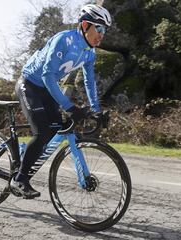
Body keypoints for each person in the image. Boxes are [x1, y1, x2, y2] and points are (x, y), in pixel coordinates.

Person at [10, 4, 112, 199]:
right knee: (42, 132)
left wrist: (96, 110)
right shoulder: (63, 40)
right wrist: (69, 106)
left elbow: (89, 82)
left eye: (104, 30)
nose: (101, 34)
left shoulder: (90, 52)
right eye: (98, 28)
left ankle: (24, 156)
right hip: (30, 84)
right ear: (84, 25)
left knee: (59, 126)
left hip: (47, 90)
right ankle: (20, 179)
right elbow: (48, 76)